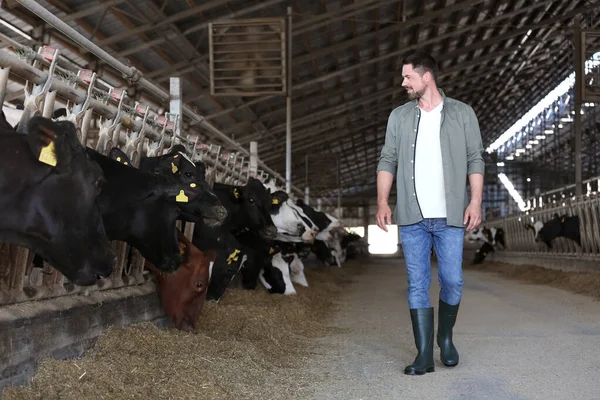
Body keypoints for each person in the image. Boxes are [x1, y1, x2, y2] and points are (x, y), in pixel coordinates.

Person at [375, 51, 484, 375]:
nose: (403, 82)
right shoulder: (399, 117)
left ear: (427, 77)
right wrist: (383, 201)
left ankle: (445, 338)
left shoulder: (463, 114)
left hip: (450, 216)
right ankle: (423, 354)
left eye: (408, 76)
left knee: (452, 280)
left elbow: (475, 159)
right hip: (412, 217)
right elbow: (387, 160)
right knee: (417, 284)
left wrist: (475, 202)